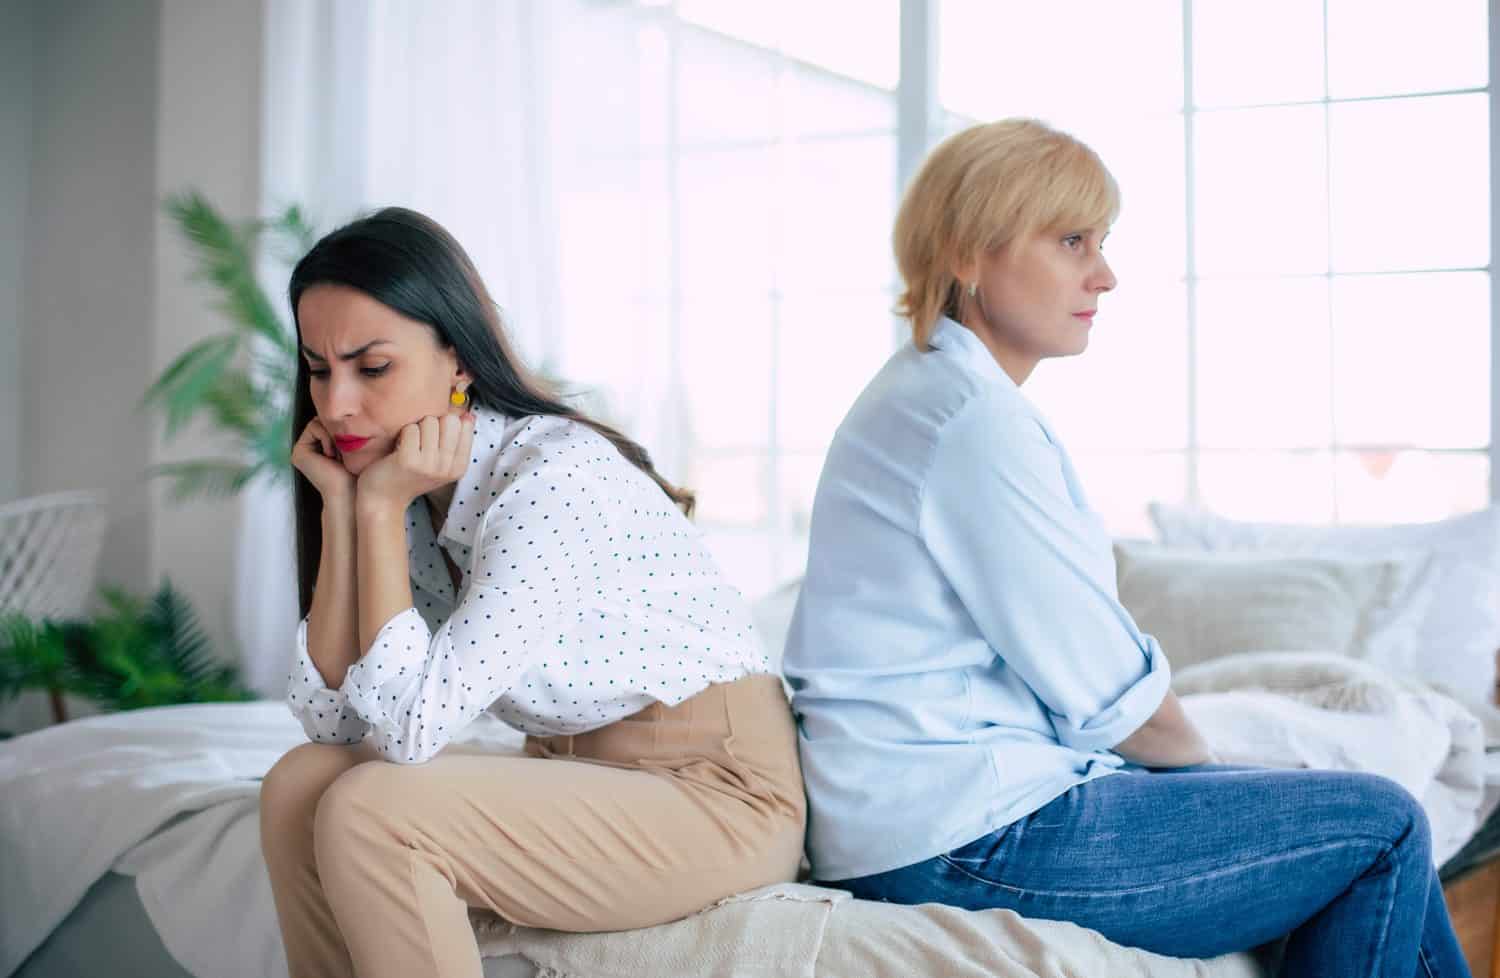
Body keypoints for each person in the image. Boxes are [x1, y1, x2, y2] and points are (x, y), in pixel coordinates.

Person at [780, 119, 1470, 977]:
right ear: (966, 252)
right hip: (965, 836)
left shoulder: (930, 393)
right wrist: (1206, 774)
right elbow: (1116, 699)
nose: (1104, 276)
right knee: (1383, 825)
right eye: (1072, 241)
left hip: (930, 818)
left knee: (1341, 826)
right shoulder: (971, 422)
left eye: (1101, 242)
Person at [258, 207, 804, 978]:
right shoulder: (406, 483)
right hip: (577, 777)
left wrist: (375, 507)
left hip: (713, 792)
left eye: (370, 368)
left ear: (458, 362)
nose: (336, 402)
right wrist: (349, 510)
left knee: (374, 810)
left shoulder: (554, 478)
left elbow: (406, 735)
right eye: (319, 368)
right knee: (297, 787)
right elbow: (334, 719)